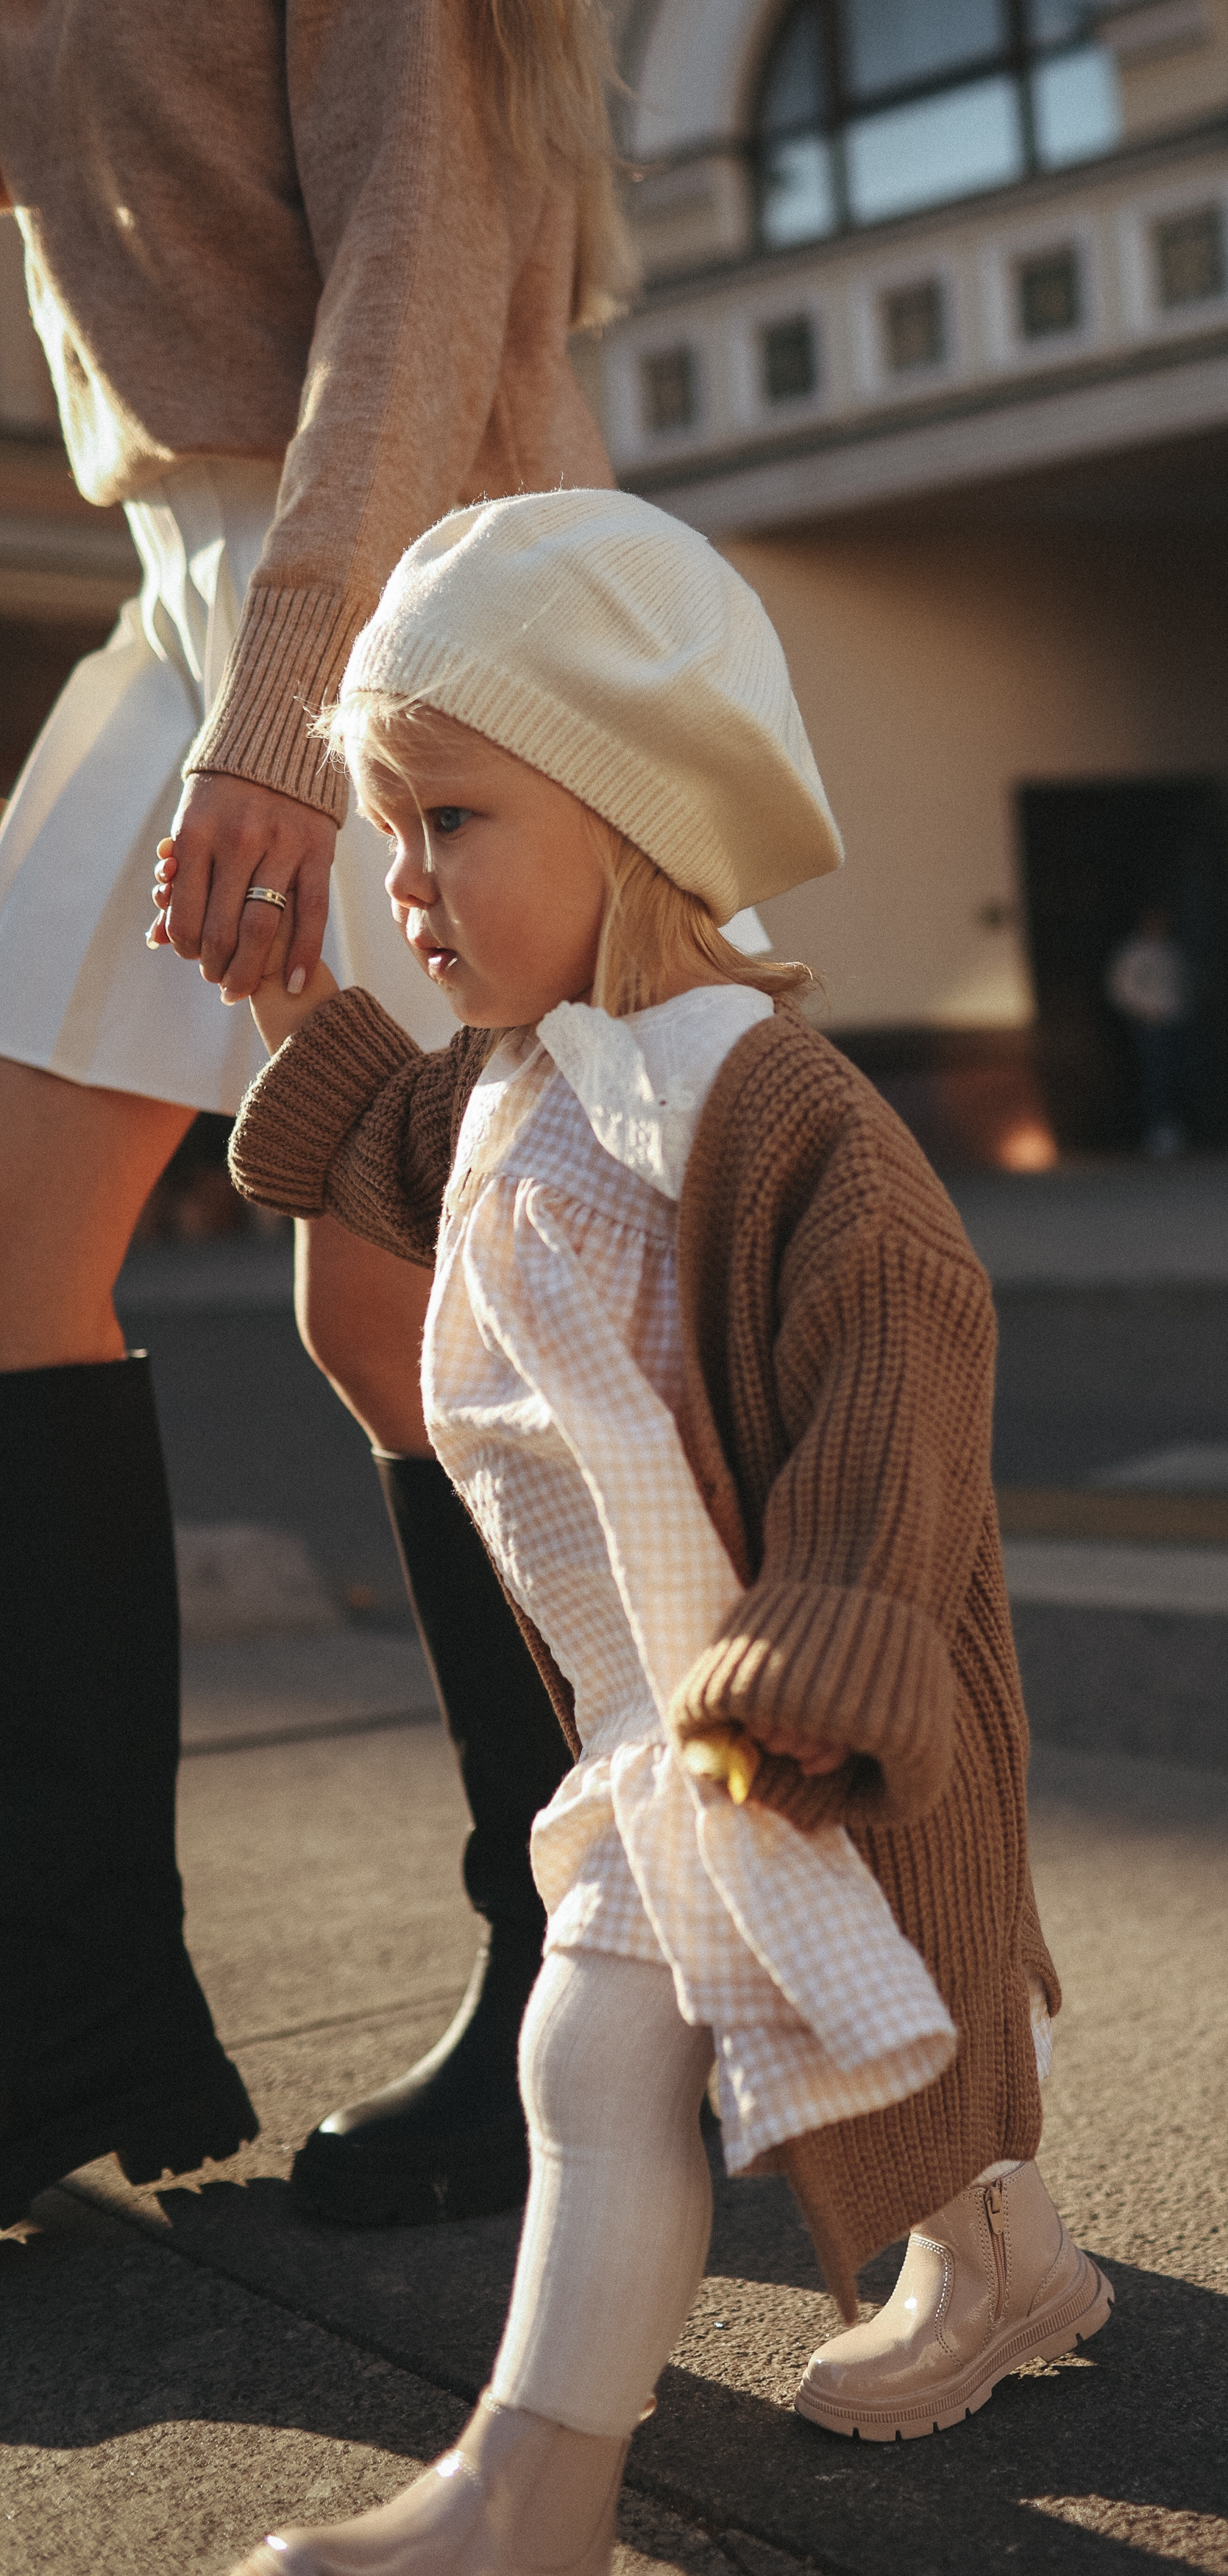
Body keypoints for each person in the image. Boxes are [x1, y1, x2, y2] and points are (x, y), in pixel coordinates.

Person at [184, 489, 1111, 2573]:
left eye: (453, 823)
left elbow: (900, 1367)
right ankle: (1012, 2264)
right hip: (663, 1720)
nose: (405, 883)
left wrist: (819, 1656)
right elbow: (405, 1148)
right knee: (885, 2044)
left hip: (794, 1702)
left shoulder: (775, 1116)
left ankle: (532, 2499)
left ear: (625, 810)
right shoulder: (518, 1087)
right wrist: (284, 1015)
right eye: (392, 828)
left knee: (604, 2047)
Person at [0, 1, 636, 2234]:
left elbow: (419, 281)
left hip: (403, 578)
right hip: (186, 575)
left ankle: (607, 1974)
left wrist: (288, 712)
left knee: (406, 1311)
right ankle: (55, 2004)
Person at [1106, 902, 1191, 1156]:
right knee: (1154, 1075)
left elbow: (1182, 984)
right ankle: (1153, 1131)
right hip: (1148, 1023)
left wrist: (1180, 1009)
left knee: (1174, 1074)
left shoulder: (1171, 951)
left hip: (1173, 1020)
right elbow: (1119, 988)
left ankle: (1172, 1129)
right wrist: (1139, 1010)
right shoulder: (1132, 952)